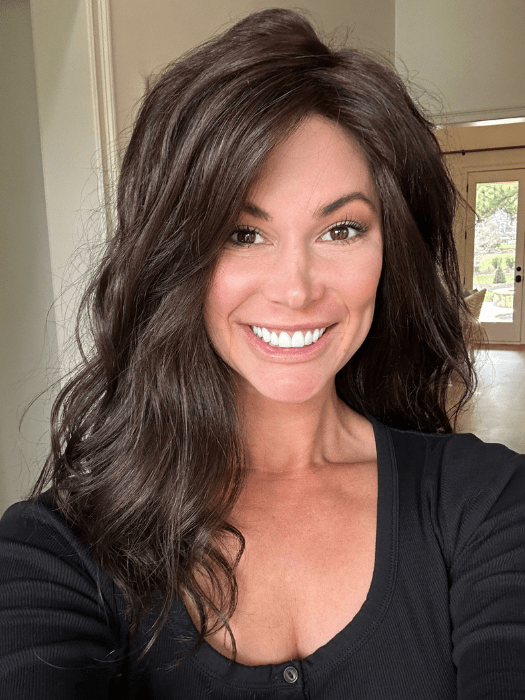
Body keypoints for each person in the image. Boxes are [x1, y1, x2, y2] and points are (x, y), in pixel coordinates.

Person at [0, 8, 524, 699]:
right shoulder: (57, 549)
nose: (296, 289)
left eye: (341, 229)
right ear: (174, 258)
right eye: (242, 234)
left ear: (389, 250)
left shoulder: (485, 502)